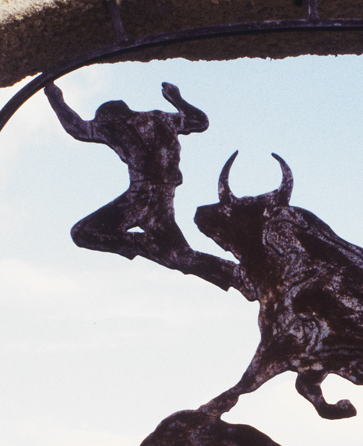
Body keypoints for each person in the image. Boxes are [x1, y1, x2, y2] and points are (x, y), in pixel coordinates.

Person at [45, 81, 249, 296]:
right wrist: (177, 99)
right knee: (179, 255)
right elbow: (200, 121)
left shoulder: (113, 125)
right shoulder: (162, 118)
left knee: (83, 233)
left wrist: (54, 96)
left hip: (142, 196)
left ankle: (143, 243)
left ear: (108, 117)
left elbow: (76, 127)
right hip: (164, 198)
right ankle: (236, 275)